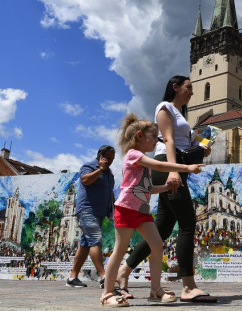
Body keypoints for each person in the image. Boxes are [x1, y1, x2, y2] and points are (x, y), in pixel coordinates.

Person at [115, 75, 218, 303]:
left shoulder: (182, 116)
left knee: (161, 228)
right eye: (188, 87)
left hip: (176, 165)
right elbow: (169, 141)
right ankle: (188, 287)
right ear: (175, 87)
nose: (192, 92)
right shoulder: (165, 108)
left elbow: (185, 144)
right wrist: (174, 172)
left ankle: (124, 271)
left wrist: (203, 148)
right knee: (188, 223)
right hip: (168, 165)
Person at [100, 114, 203, 307]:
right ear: (140, 136)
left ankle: (155, 290)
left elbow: (146, 189)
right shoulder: (134, 155)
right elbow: (160, 164)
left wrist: (166, 187)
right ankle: (107, 294)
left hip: (142, 212)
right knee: (119, 250)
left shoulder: (142, 161)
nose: (158, 140)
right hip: (126, 209)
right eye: (154, 136)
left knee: (157, 245)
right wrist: (186, 168)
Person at [66, 145, 115, 288]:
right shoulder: (89, 166)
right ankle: (103, 276)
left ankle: (72, 278)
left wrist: (114, 206)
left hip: (100, 213)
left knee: (85, 245)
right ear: (100, 156)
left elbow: (109, 191)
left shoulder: (110, 173)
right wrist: (100, 168)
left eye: (112, 159)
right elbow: (85, 180)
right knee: (95, 240)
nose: (110, 161)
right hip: (87, 211)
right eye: (108, 158)